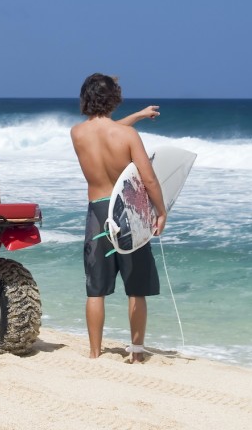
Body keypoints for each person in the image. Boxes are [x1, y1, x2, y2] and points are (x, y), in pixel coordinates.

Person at [70, 73, 167, 363]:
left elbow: (103, 130)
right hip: (128, 213)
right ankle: (136, 354)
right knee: (136, 287)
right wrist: (161, 211)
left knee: (95, 289)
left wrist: (136, 116)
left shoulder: (77, 133)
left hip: (97, 213)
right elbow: (148, 179)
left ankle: (94, 352)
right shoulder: (127, 137)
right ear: (115, 98)